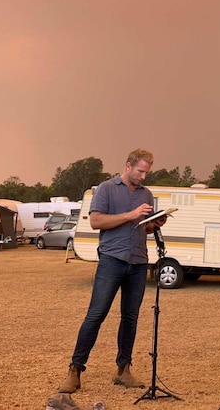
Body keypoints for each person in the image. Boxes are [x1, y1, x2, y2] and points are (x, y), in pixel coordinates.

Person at [58, 148, 167, 394]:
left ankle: (123, 370)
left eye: (147, 172)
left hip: (138, 262)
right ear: (128, 166)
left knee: (130, 318)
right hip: (111, 260)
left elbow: (143, 228)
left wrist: (155, 223)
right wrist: (131, 214)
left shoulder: (146, 194)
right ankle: (75, 371)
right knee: (96, 315)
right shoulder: (106, 189)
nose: (143, 176)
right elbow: (96, 222)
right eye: (140, 171)